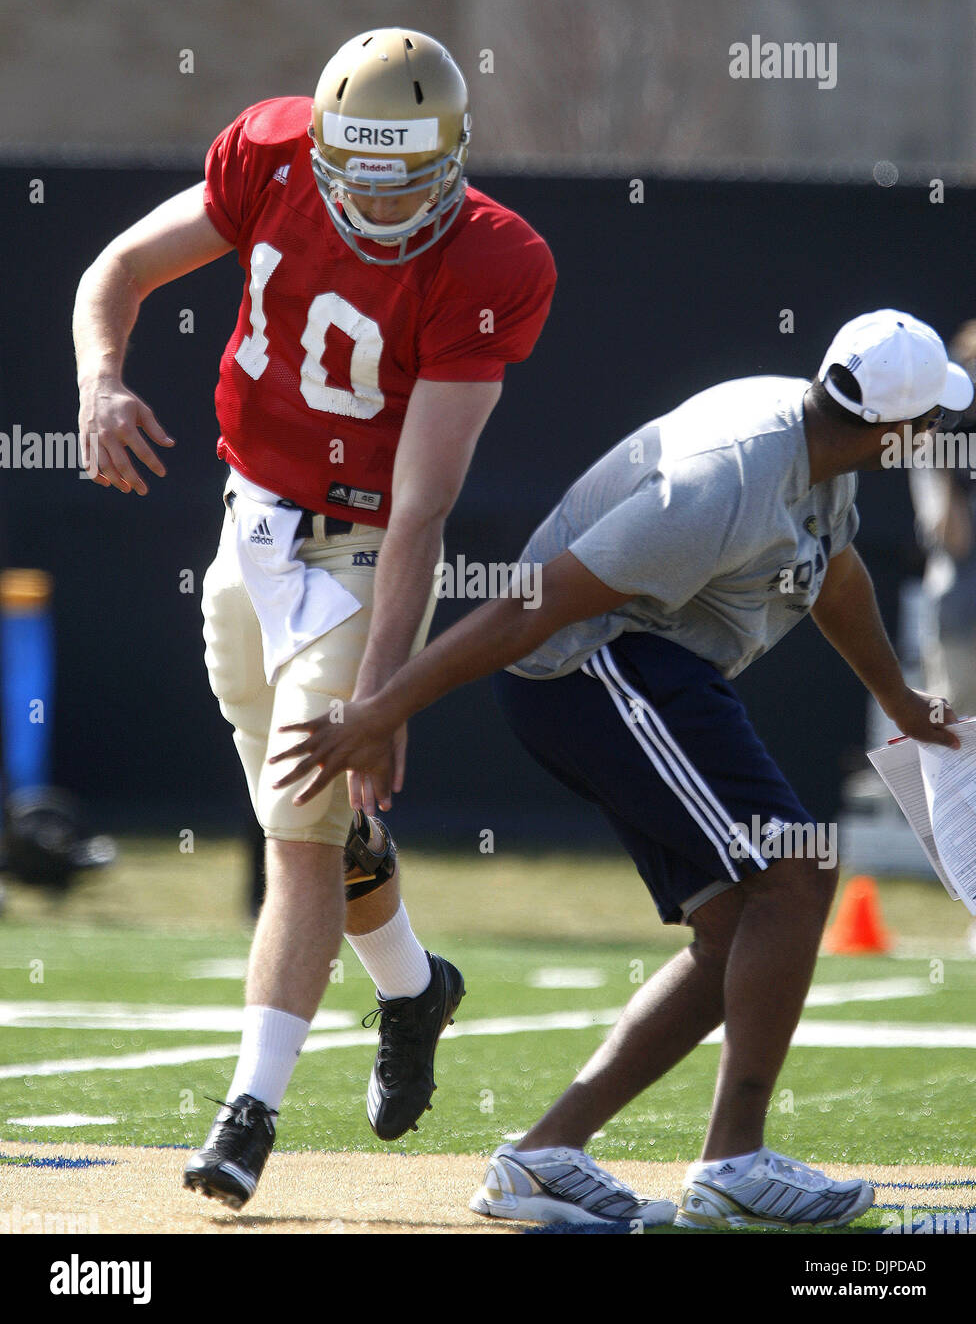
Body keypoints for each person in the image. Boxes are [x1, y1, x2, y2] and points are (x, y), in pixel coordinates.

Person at [271, 309, 972, 1229]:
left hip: (644, 663)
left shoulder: (812, 445)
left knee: (739, 924)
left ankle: (542, 1157)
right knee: (794, 873)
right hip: (587, 664)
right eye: (934, 425)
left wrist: (907, 701)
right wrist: (383, 708)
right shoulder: (730, 478)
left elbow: (833, 575)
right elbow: (537, 606)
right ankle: (733, 1163)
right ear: (896, 432)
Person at [73, 27, 556, 1210]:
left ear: (452, 161)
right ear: (328, 152)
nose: (382, 206)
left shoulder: (495, 259)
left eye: (409, 180)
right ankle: (411, 986)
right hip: (253, 524)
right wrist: (99, 380)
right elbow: (117, 271)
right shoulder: (274, 153)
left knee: (296, 834)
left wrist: (386, 687)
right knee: (317, 823)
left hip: (363, 554)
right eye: (363, 177)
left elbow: (422, 505)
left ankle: (250, 1111)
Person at [910, 320, 976, 716]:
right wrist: (947, 464)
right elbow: (955, 541)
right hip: (961, 613)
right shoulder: (937, 444)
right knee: (961, 734)